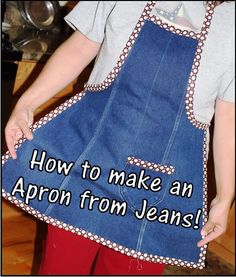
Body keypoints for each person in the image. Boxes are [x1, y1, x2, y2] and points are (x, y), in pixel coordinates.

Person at [3, 1, 235, 275]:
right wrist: (26, 104)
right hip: (87, 169)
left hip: (161, 195)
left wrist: (225, 196)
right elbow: (81, 46)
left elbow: (228, 117)